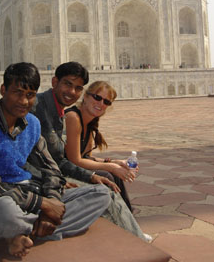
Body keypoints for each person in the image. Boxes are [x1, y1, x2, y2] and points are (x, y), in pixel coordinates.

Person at [0, 62, 111, 261]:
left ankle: (22, 232)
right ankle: (22, 229)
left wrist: (52, 202)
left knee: (100, 194)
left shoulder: (31, 123)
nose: (24, 101)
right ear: (3, 90)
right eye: (17, 92)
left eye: (30, 95)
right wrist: (42, 204)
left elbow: (52, 169)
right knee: (4, 210)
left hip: (28, 196)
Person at [33, 62, 150, 241]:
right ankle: (135, 239)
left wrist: (103, 169)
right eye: (68, 84)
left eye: (77, 87)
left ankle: (130, 231)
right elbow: (67, 160)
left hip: (50, 175)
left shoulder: (58, 113)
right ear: (54, 82)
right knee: (105, 188)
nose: (72, 92)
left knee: (106, 184)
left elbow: (60, 159)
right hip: (34, 180)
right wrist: (100, 171)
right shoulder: (41, 108)